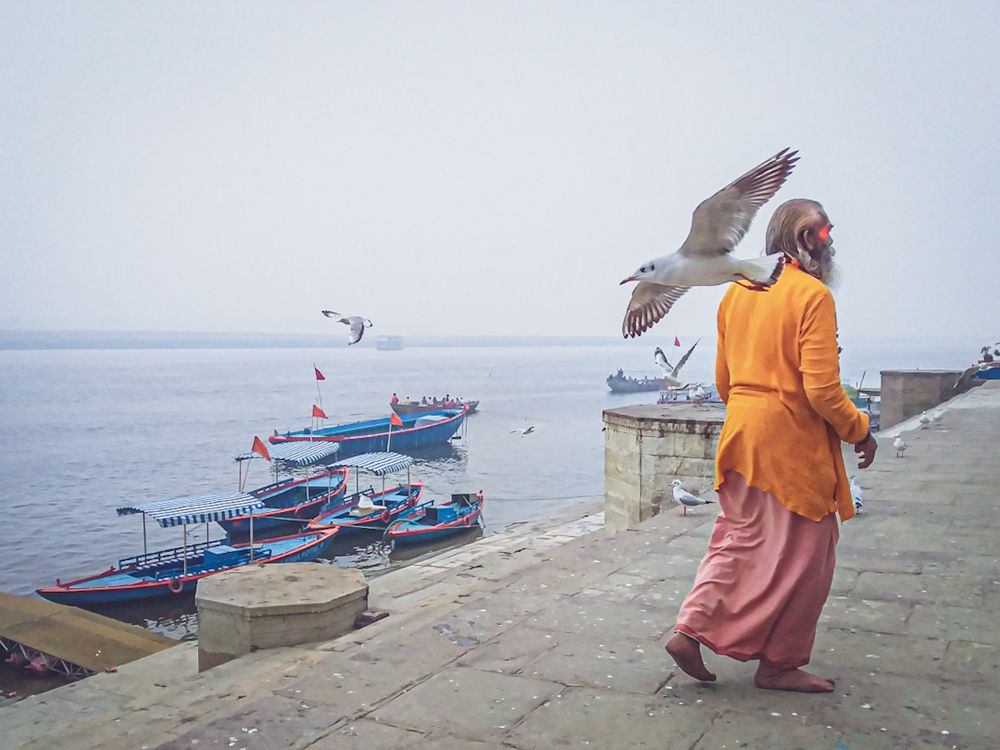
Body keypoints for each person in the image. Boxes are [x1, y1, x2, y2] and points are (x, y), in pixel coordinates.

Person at [665, 199, 878, 694]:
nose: (829, 247)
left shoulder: (735, 295)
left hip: (740, 433)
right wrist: (860, 430)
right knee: (811, 556)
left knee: (737, 538)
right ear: (807, 241)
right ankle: (780, 663)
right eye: (825, 236)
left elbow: (723, 382)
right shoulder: (812, 296)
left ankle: (689, 629)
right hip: (790, 443)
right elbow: (823, 391)